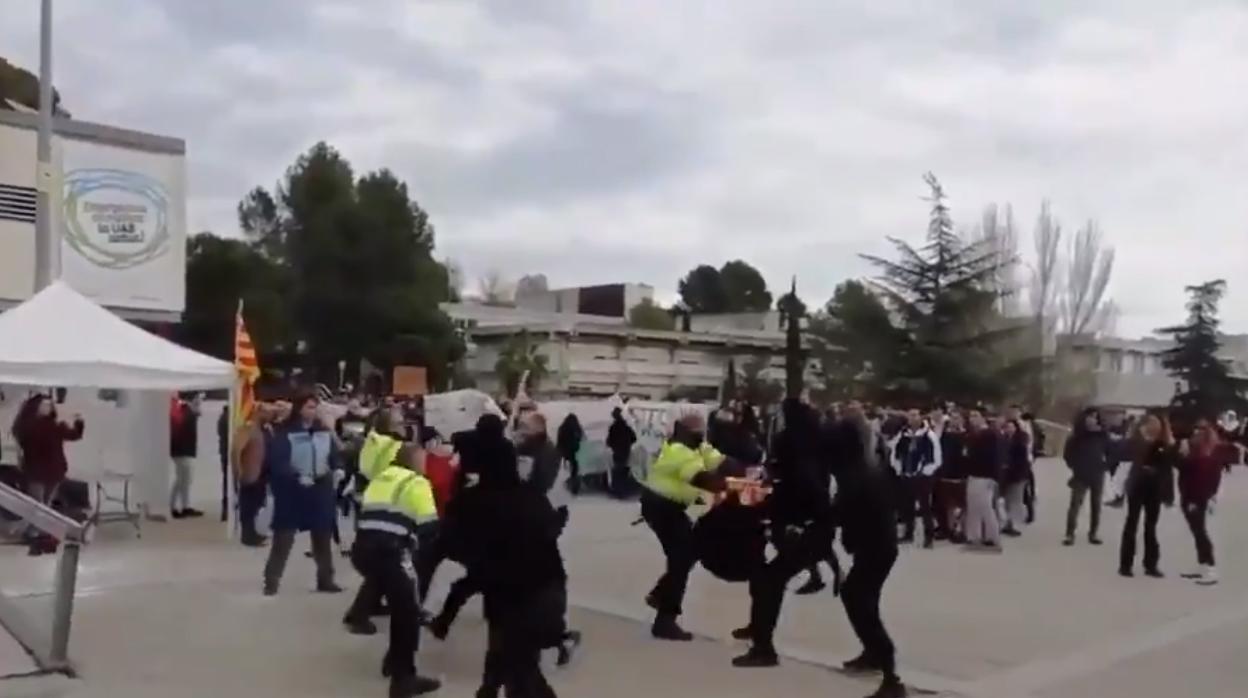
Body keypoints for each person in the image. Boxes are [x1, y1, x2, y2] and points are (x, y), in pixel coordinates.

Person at [439, 414, 565, 698]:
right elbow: (550, 532)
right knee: (515, 659)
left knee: (520, 670)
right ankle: (489, 687)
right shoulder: (531, 499)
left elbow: (455, 548)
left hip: (514, 595)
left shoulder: (471, 504)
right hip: (542, 590)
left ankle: (490, 687)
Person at [732, 399, 837, 668]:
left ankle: (763, 648)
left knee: (768, 583)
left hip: (805, 531)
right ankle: (759, 635)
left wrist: (799, 523)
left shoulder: (799, 458)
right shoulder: (807, 450)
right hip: (806, 530)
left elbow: (809, 493)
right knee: (765, 579)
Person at [352, 442, 442, 697]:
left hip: (363, 551)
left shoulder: (381, 479)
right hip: (391, 552)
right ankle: (404, 680)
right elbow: (429, 526)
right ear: (413, 462)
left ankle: (393, 663)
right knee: (408, 614)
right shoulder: (418, 483)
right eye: (423, 460)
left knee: (400, 606)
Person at [829, 414, 906, 698]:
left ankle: (890, 675)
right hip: (877, 546)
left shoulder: (856, 474)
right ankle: (874, 654)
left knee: (859, 600)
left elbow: (841, 510)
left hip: (876, 547)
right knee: (859, 597)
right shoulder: (869, 467)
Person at [640, 412, 726, 641]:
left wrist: (745, 471)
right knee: (681, 558)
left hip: (671, 509)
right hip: (660, 507)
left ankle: (660, 595)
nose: (701, 433)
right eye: (697, 429)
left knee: (686, 555)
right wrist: (726, 485)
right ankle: (665, 620)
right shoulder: (678, 450)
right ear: (687, 430)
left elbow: (718, 460)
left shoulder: (697, 446)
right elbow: (698, 477)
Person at [516, 410, 581, 666]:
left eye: (523, 427)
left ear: (537, 430)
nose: (519, 430)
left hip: (545, 520)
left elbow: (540, 487)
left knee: (547, 578)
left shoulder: (548, 454)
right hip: (530, 520)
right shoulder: (524, 450)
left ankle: (554, 633)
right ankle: (547, 632)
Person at [262, 392, 342, 596]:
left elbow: (334, 454)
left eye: (314, 407)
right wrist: (295, 476)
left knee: (323, 538)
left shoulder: (323, 431)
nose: (312, 411)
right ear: (298, 408)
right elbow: (278, 461)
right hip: (293, 492)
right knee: (283, 538)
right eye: (308, 407)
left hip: (320, 489)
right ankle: (271, 581)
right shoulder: (285, 432)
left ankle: (326, 579)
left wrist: (338, 468)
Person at [11, 394, 85, 556]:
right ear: (35, 407)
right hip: (36, 471)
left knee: (44, 507)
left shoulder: (54, 425)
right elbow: (19, 434)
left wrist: (79, 422)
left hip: (53, 471)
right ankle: (34, 535)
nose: (48, 406)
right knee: (37, 506)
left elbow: (74, 435)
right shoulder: (27, 426)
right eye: (44, 404)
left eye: (49, 404)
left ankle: (36, 536)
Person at [1119, 414, 1176, 578]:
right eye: (1151, 423)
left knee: (1150, 527)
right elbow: (1124, 454)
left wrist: (1168, 495)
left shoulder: (1164, 444)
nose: (1154, 427)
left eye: (1157, 424)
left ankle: (1151, 564)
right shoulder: (1136, 441)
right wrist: (1140, 437)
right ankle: (1125, 564)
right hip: (1137, 486)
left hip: (1154, 489)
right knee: (1132, 524)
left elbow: (1168, 470)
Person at [1176, 417, 1225, 586]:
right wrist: (1182, 454)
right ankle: (1202, 565)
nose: (1196, 432)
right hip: (1189, 496)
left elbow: (1205, 479)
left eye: (1201, 429)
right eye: (1196, 428)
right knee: (1197, 531)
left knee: (1200, 532)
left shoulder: (1207, 453)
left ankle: (1211, 568)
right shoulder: (1194, 449)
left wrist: (1197, 500)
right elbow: (1183, 469)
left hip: (1195, 498)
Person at [888, 408, 941, 547]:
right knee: (907, 506)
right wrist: (899, 469)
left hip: (923, 477)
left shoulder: (929, 435)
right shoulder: (903, 434)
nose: (913, 418)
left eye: (915, 415)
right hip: (907, 475)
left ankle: (929, 537)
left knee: (925, 508)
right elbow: (895, 453)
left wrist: (925, 472)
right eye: (910, 416)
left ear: (920, 417)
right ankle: (908, 533)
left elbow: (936, 457)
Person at [1063, 408, 1109, 546]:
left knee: (1096, 505)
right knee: (1075, 505)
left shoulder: (1102, 436)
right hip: (1080, 474)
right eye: (1090, 416)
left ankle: (1093, 533)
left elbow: (1112, 451)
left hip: (1097, 474)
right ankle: (1070, 534)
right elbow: (1067, 454)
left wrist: (1105, 465)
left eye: (1095, 417)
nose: (1092, 419)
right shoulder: (1076, 437)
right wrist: (1075, 466)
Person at [232, 402, 273, 547]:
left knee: (256, 505)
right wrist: (238, 472)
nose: (270, 415)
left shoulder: (262, 430)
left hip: (260, 474)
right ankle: (247, 535)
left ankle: (253, 533)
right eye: (267, 412)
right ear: (258, 412)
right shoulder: (248, 428)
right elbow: (236, 451)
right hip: (250, 474)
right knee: (248, 507)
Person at [962, 409, 1002, 550]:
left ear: (983, 418)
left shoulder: (990, 434)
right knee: (972, 508)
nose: (972, 419)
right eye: (971, 416)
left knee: (985, 507)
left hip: (986, 476)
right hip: (973, 474)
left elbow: (995, 457)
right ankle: (974, 537)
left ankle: (993, 536)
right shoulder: (972, 434)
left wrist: (994, 478)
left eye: (976, 416)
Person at [932, 409, 968, 543]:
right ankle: (950, 529)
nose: (955, 420)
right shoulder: (944, 435)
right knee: (947, 505)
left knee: (963, 505)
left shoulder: (967, 435)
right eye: (952, 418)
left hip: (962, 475)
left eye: (957, 418)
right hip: (945, 475)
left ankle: (960, 529)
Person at [169, 392, 204, 519]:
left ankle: (184, 506)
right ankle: (172, 506)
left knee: (185, 480)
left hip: (186, 449)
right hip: (182, 449)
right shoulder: (183, 410)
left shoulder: (188, 410)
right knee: (182, 479)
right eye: (198, 400)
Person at [999, 419, 1031, 537]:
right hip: (1006, 475)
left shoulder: (1020, 442)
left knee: (1015, 501)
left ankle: (1013, 524)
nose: (1009, 429)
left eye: (1011, 427)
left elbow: (1023, 461)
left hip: (1018, 475)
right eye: (1007, 427)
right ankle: (1007, 523)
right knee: (1007, 501)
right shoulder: (1003, 441)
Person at [606, 407, 638, 498]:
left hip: (617, 451)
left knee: (617, 469)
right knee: (623, 468)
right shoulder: (626, 427)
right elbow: (634, 438)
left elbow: (609, 441)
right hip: (625, 450)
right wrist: (627, 444)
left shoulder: (613, 428)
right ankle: (623, 490)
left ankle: (618, 490)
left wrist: (613, 445)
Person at [555, 413, 584, 495]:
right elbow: (581, 437)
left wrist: (558, 450)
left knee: (564, 470)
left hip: (565, 452)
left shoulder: (563, 428)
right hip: (575, 452)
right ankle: (574, 488)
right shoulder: (577, 428)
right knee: (574, 470)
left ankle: (564, 487)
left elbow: (559, 440)